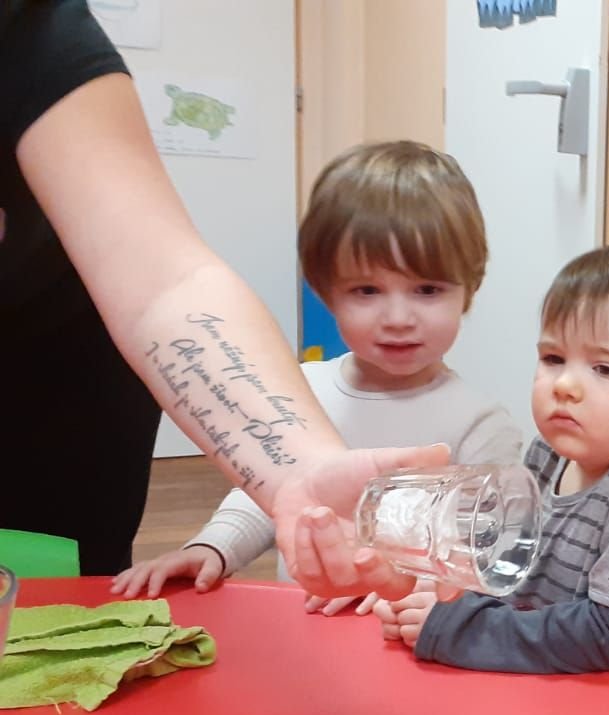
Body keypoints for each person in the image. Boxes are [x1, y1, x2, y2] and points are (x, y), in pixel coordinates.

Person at [1, 0, 437, 597]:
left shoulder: (28, 27)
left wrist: (302, 475)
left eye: (427, 289)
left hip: (47, 456)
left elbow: (163, 282)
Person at [112, 140, 523, 611]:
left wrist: (411, 590)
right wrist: (213, 547)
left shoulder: (481, 426)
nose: (398, 318)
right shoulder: (301, 391)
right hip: (303, 626)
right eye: (367, 290)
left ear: (468, 289)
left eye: (427, 290)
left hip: (411, 635)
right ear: (326, 293)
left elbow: (486, 558)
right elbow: (268, 497)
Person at [375, 246, 609, 715]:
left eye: (605, 369)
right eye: (554, 358)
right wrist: (430, 587)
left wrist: (463, 632)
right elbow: (502, 559)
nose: (564, 385)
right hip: (554, 697)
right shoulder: (550, 453)